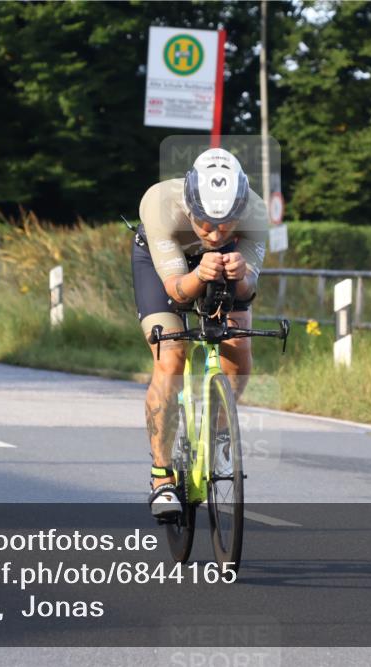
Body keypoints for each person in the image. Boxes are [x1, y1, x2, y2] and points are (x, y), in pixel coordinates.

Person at [131, 148, 269, 520]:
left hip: (224, 266)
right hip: (165, 267)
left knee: (238, 345)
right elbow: (176, 288)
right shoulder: (160, 202)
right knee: (171, 357)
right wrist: (198, 275)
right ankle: (161, 476)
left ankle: (219, 432)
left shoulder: (256, 213)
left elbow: (248, 291)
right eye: (204, 222)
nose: (213, 232)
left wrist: (241, 276)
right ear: (190, 207)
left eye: (225, 225)